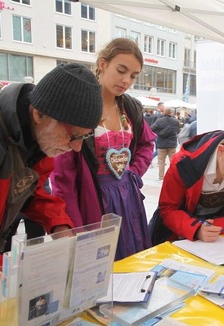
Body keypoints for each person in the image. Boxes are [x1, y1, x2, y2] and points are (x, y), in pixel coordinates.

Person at [0, 63, 102, 316]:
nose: (77, 148)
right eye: (73, 136)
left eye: (85, 137)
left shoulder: (39, 136)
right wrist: (35, 280)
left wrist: (60, 225)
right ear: (39, 114)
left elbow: (31, 192)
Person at [51, 38, 155, 261]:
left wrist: (134, 171)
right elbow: (63, 180)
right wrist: (73, 227)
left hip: (128, 199)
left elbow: (147, 144)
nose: (126, 80)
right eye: (121, 70)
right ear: (102, 64)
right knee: (96, 264)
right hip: (91, 199)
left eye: (133, 76)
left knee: (130, 262)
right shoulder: (78, 106)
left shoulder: (130, 107)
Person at [149, 125, 224, 245]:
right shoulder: (183, 163)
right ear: (221, 151)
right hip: (177, 236)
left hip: (219, 242)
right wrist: (196, 228)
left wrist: (212, 227)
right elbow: (167, 209)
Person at [150, 107, 180, 181]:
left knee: (161, 161)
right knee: (173, 161)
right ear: (171, 113)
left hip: (161, 144)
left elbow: (151, 129)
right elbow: (178, 130)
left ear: (164, 112)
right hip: (172, 144)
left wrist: (159, 133)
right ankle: (174, 176)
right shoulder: (175, 121)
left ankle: (161, 177)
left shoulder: (159, 121)